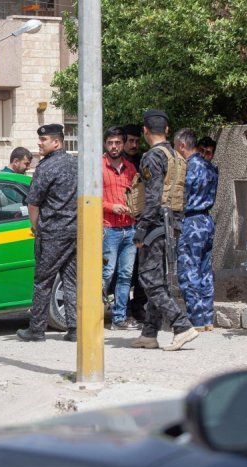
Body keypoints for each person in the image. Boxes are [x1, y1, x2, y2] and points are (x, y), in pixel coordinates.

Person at [130, 109, 198, 351]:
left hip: (156, 224)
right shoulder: (177, 157)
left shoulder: (152, 157)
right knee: (157, 279)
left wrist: (141, 230)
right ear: (167, 130)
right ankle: (149, 332)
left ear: (145, 130)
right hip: (173, 223)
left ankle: (181, 325)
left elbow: (153, 197)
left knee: (148, 278)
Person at [17, 124, 77, 342]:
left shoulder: (46, 167)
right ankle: (74, 328)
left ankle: (37, 329)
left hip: (52, 233)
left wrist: (36, 228)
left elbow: (33, 204)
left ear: (56, 142)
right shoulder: (75, 163)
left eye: (44, 140)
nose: (39, 144)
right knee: (71, 280)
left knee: (43, 280)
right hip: (74, 232)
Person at [174, 128, 219, 332]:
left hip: (191, 221)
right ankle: (207, 317)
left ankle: (196, 319)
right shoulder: (211, 168)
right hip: (207, 220)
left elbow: (182, 197)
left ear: (182, 145)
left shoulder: (188, 168)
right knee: (205, 270)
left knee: (189, 270)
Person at [101, 126, 139, 330]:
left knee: (125, 275)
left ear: (123, 144)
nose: (114, 146)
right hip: (109, 229)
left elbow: (136, 195)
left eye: (117, 143)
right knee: (107, 273)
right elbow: (88, 200)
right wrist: (110, 206)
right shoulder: (98, 166)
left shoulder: (131, 168)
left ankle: (119, 318)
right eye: (110, 143)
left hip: (130, 228)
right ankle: (94, 314)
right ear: (105, 144)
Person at [123, 123, 148, 323]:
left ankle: (137, 307)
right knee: (123, 270)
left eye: (136, 141)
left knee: (142, 268)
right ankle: (122, 308)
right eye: (130, 141)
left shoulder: (143, 161)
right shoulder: (117, 163)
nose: (134, 144)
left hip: (141, 220)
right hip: (120, 222)